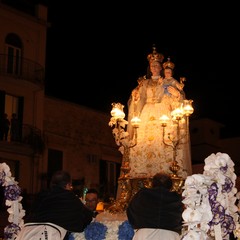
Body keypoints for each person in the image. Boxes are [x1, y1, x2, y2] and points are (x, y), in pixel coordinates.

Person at [127, 46, 192, 179]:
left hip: (163, 114)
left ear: (161, 68)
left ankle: (166, 172)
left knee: (165, 142)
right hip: (146, 113)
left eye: (157, 66)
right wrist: (135, 96)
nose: (155, 68)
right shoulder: (144, 83)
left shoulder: (167, 82)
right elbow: (138, 99)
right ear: (150, 68)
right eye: (152, 66)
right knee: (143, 143)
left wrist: (177, 95)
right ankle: (142, 173)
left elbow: (177, 98)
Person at [16, 170, 93, 240]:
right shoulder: (70, 198)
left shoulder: (40, 196)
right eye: (70, 186)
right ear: (67, 185)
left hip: (26, 234)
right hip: (48, 235)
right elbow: (84, 220)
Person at [126, 172, 183, 240]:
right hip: (170, 235)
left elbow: (131, 211)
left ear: (153, 183)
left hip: (144, 234)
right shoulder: (176, 197)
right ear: (170, 184)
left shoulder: (142, 194)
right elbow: (183, 217)